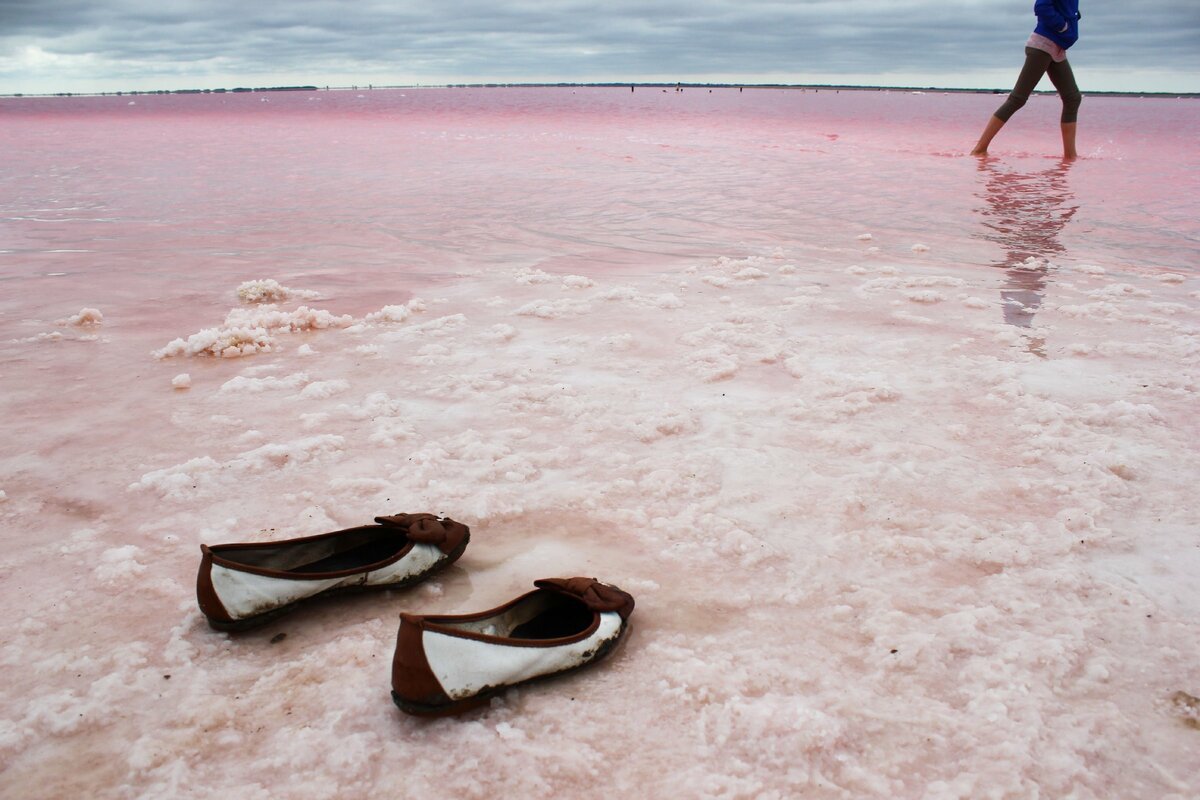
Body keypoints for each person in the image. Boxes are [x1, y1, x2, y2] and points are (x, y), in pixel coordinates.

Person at [971, 1, 1083, 159]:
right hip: (1043, 45)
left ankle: (1070, 156)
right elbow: (1042, 6)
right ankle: (979, 149)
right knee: (1018, 98)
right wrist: (1063, 26)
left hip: (1057, 46)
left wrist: (1072, 20)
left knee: (1072, 98)